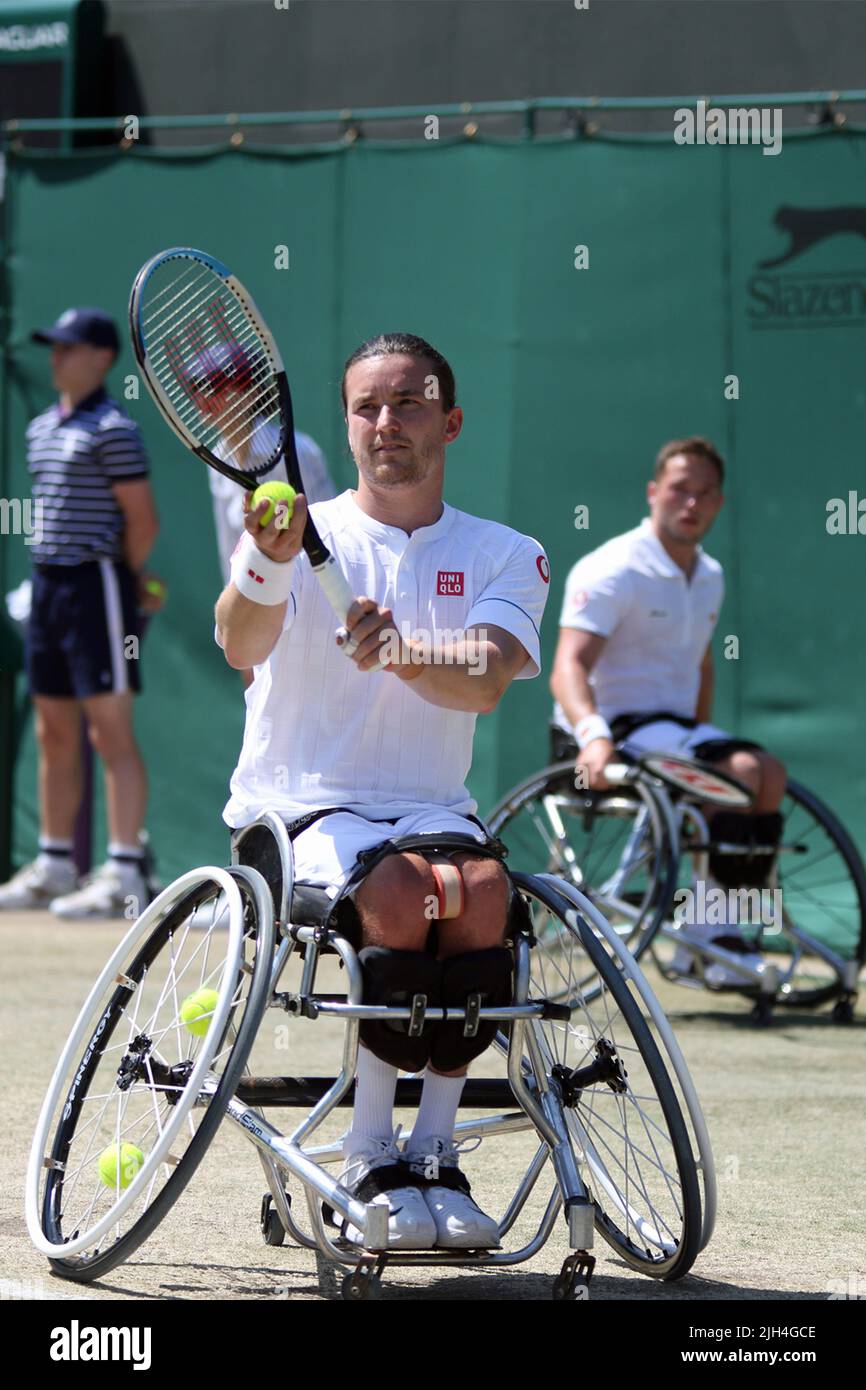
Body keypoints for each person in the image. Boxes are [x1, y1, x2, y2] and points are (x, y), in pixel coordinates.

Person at [215, 332, 550, 1249]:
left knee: (483, 895)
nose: (385, 423)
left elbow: (483, 677)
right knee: (405, 894)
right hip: (301, 806)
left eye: (408, 403)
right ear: (347, 423)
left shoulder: (506, 552)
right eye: (366, 406)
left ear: (450, 420)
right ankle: (370, 1155)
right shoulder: (295, 528)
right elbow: (239, 644)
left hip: (433, 807)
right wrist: (263, 562)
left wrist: (401, 649)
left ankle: (434, 1158)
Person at [550, 436, 787, 978]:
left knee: (765, 773)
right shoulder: (612, 567)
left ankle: (713, 932)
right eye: (681, 489)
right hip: (610, 734)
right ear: (654, 492)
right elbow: (568, 666)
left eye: (705, 494)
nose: (692, 503)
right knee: (748, 771)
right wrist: (593, 735)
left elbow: (702, 664)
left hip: (674, 734)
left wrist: (703, 737)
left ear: (719, 503)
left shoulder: (711, 575)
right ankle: (710, 936)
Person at [0, 307, 161, 920]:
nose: (56, 358)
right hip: (47, 588)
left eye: (69, 348)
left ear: (102, 359)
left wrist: (118, 579)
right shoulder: (41, 427)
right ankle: (54, 863)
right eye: (54, 348)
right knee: (52, 729)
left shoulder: (115, 429)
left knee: (108, 730)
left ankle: (122, 873)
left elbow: (142, 522)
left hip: (100, 585)